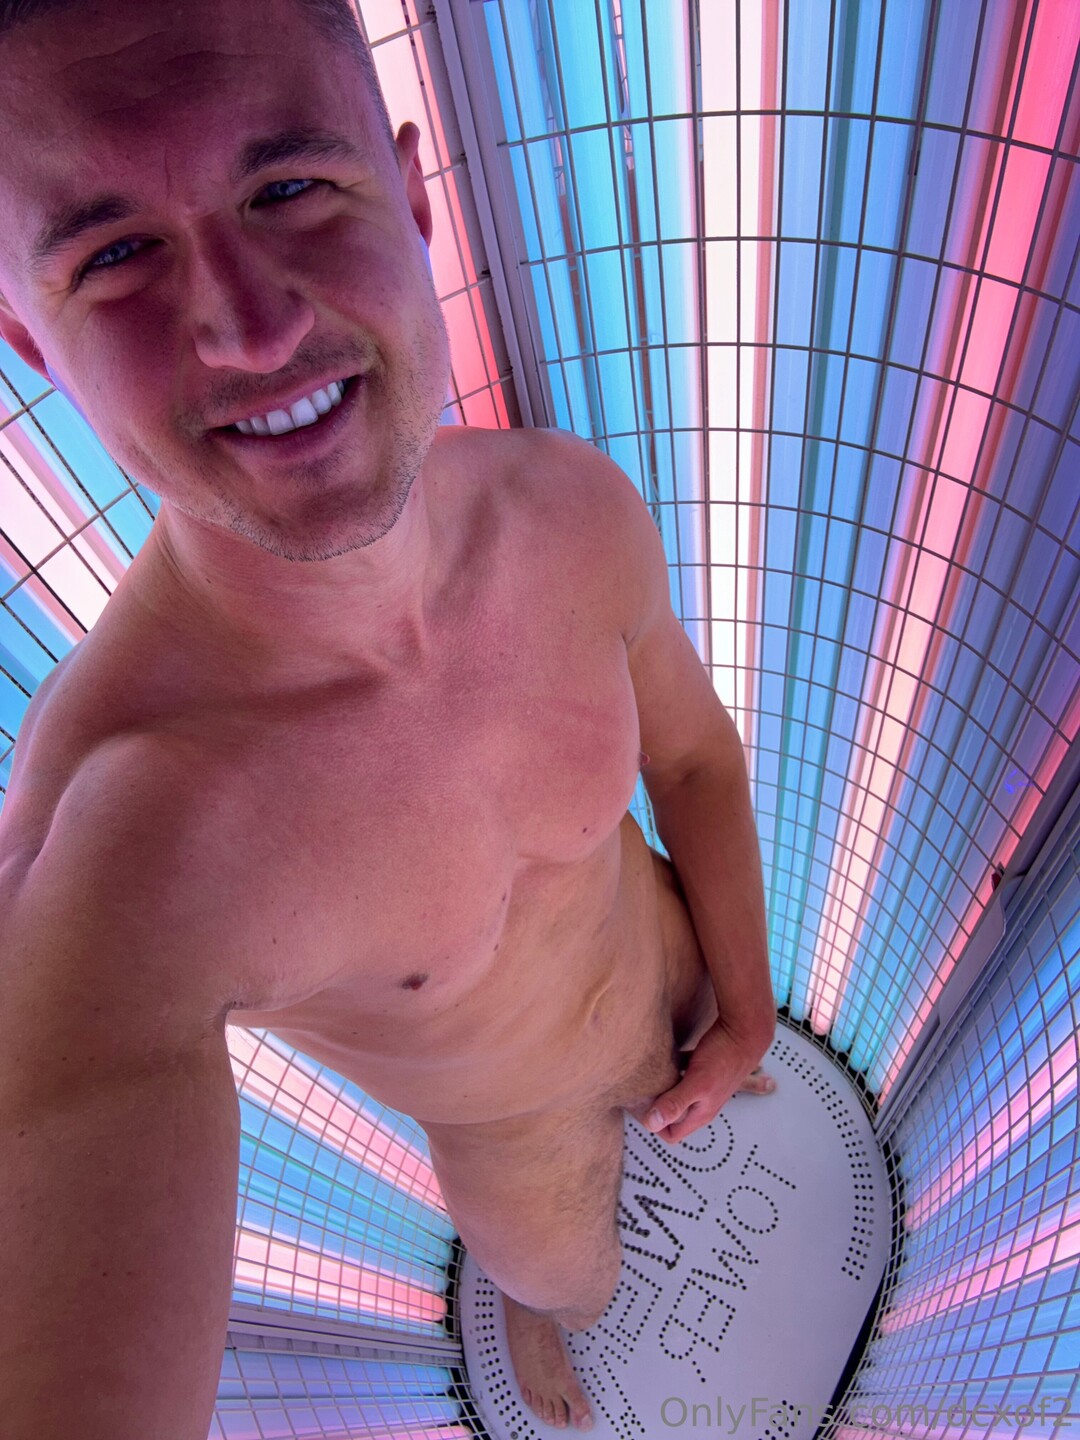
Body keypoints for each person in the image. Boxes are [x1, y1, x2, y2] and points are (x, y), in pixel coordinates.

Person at [0, 0, 777, 1433]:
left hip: (669, 962)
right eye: (114, 256)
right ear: (31, 342)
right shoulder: (123, 850)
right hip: (513, 1142)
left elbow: (690, 755)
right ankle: (536, 1312)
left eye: (289, 185)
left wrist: (746, 1007)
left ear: (414, 197)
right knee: (575, 1278)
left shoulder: (569, 510)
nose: (254, 326)